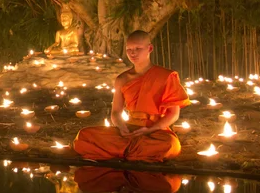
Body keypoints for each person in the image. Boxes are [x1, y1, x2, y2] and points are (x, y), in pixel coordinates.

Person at [73, 30, 190, 162]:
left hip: (156, 131)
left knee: (169, 145)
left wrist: (150, 129)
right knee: (85, 135)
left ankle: (121, 152)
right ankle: (135, 153)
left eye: (138, 49)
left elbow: (173, 114)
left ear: (149, 48)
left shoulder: (166, 76)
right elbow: (116, 112)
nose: (133, 53)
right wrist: (122, 128)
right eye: (129, 49)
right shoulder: (122, 79)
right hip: (130, 129)